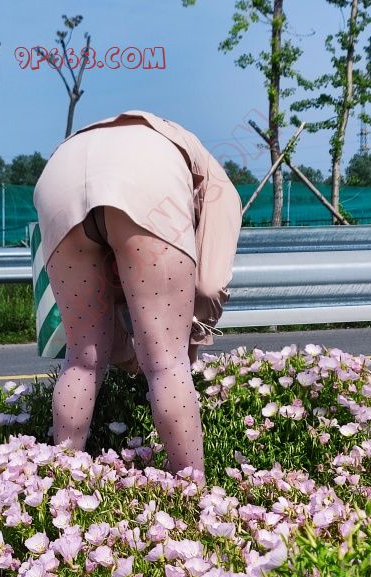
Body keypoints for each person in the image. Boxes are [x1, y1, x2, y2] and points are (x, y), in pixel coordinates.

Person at [33, 108, 243, 477]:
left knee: (82, 360)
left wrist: (128, 351)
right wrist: (191, 338)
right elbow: (210, 283)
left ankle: (60, 484)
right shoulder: (216, 181)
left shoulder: (151, 137)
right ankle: (192, 492)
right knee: (167, 364)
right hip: (145, 177)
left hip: (58, 176)